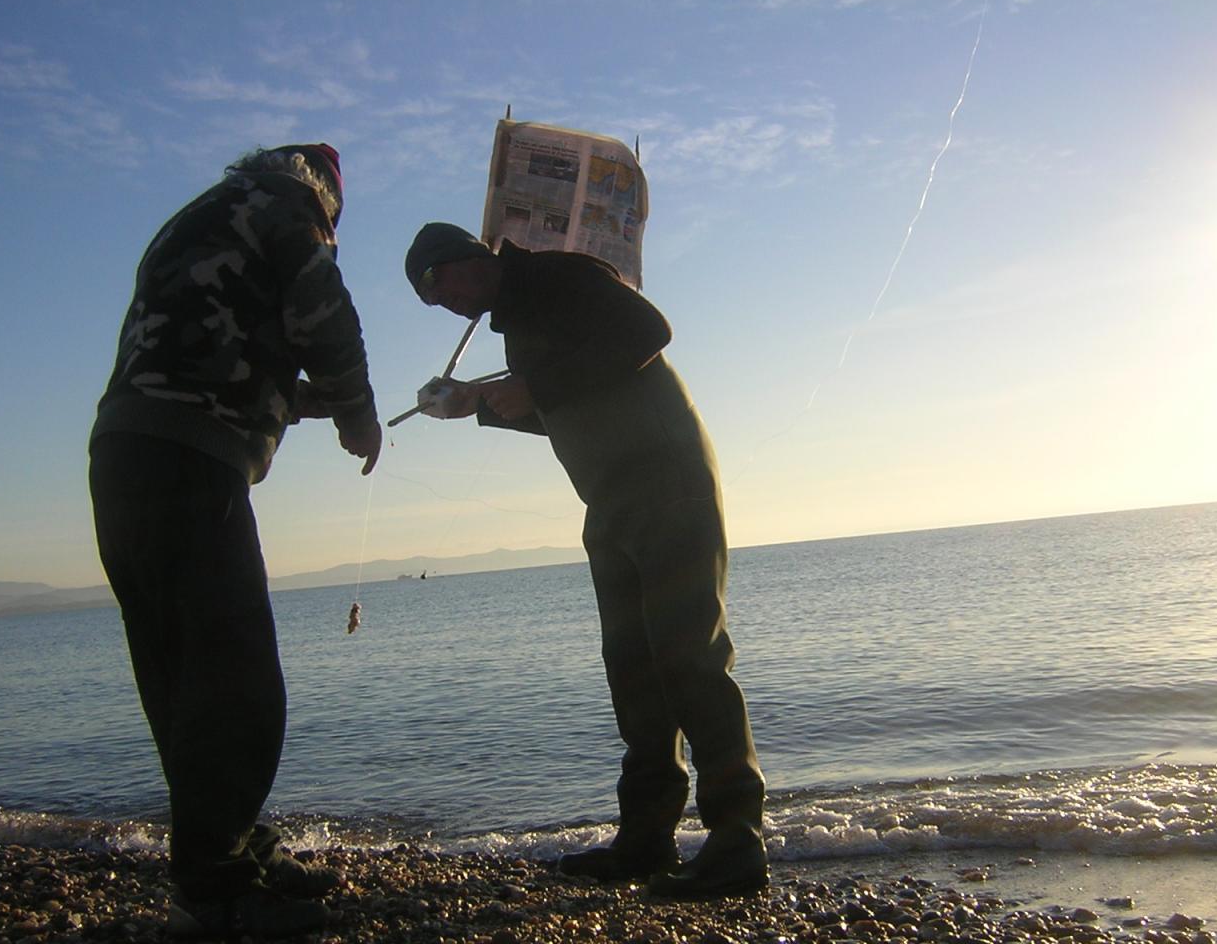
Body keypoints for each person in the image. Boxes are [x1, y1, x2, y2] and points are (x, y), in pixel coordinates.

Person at [403, 223, 768, 898]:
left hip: (667, 483)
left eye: (438, 286)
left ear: (466, 261)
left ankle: (737, 841)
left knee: (689, 655)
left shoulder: (560, 276)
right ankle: (646, 839)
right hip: (609, 501)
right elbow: (574, 402)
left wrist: (533, 387)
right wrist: (478, 404)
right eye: (430, 301)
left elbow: (648, 332)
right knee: (633, 669)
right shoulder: (517, 323)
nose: (443, 305)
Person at [89, 144, 382, 938]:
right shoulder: (289, 210)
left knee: (182, 680)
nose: (329, 232)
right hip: (188, 462)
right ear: (323, 195)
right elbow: (326, 312)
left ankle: (234, 852)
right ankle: (213, 892)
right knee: (239, 682)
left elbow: (212, 343)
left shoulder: (200, 218)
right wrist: (358, 412)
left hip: (124, 454)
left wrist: (302, 401)